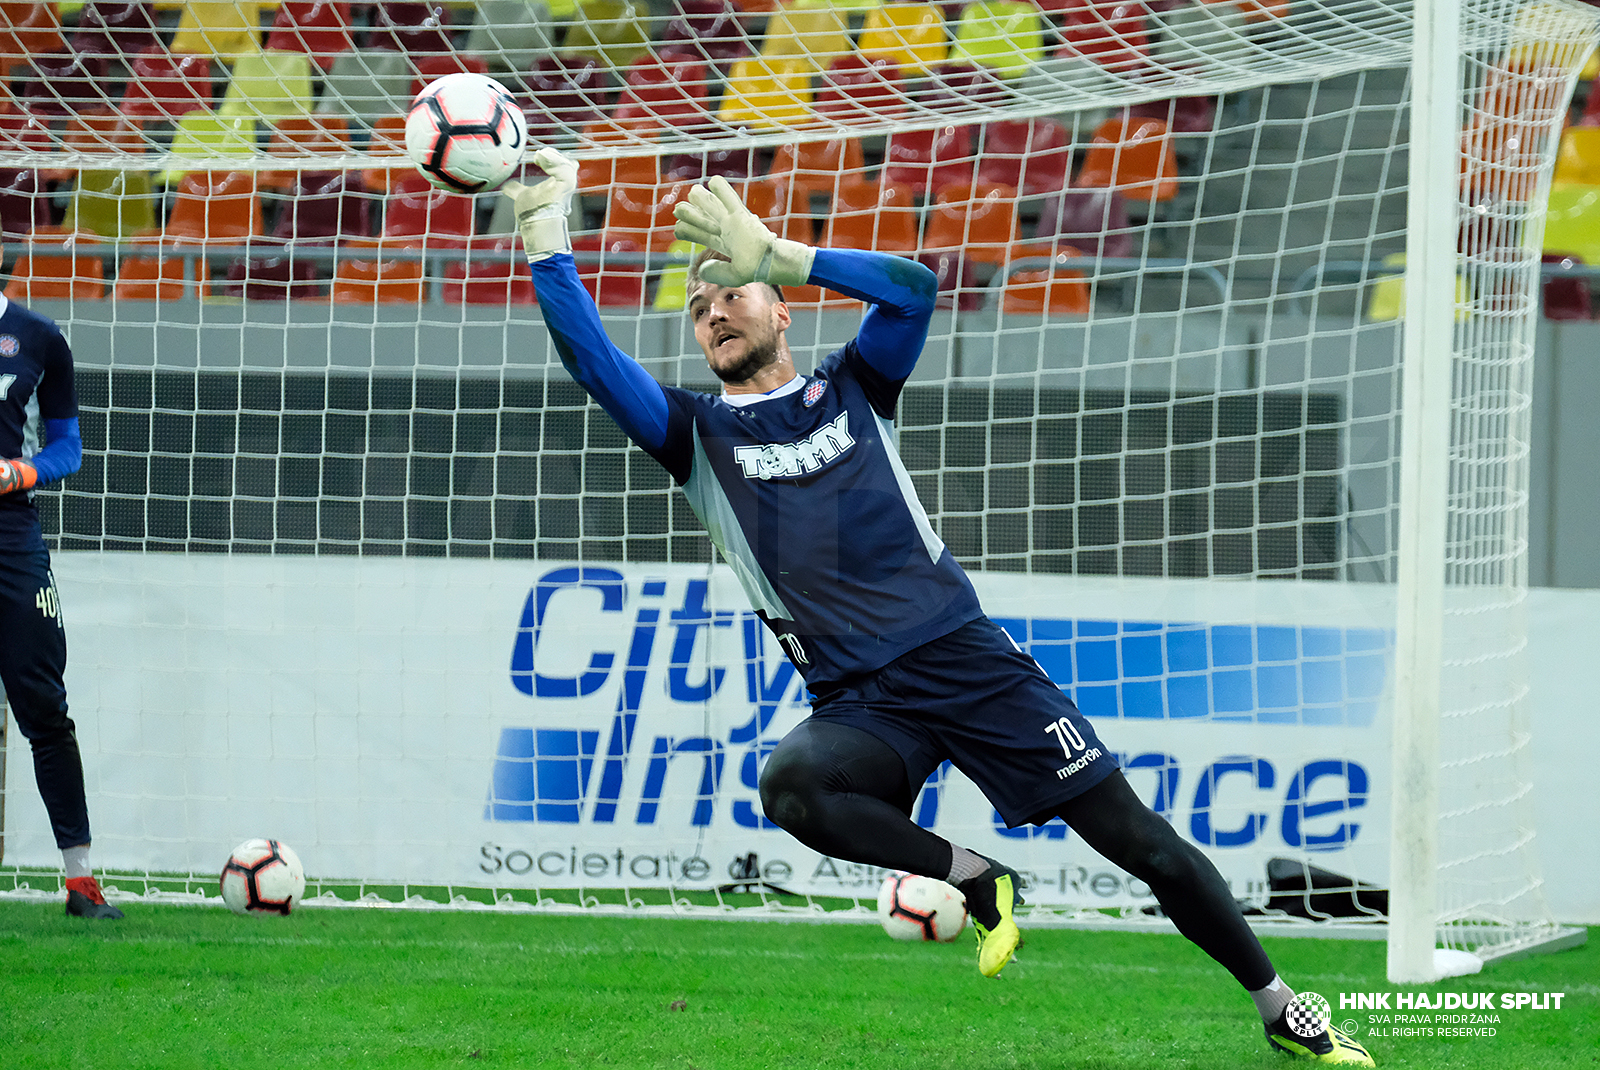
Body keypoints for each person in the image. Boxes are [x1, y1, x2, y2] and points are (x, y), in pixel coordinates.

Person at [502, 149, 1372, 1065]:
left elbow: (915, 288)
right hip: (861, 704)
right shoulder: (694, 434)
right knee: (792, 785)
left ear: (778, 307)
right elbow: (593, 362)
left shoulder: (854, 388)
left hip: (966, 659)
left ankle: (1280, 1007)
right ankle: (976, 878)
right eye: (699, 308)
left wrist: (783, 252)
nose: (714, 311)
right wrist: (545, 230)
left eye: (733, 293)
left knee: (1140, 844)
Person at [0, 286, 121, 920]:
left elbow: (67, 447)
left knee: (45, 709)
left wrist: (22, 472)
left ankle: (80, 883)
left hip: (11, 539)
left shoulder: (39, 337)